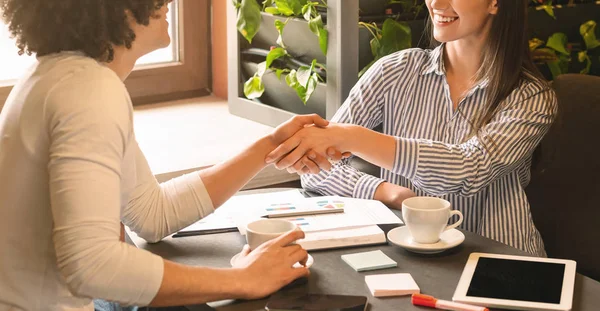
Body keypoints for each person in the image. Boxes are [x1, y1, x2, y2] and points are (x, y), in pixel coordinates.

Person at [0, 0, 340, 310]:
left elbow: (150, 213)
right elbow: (93, 267)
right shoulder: (89, 93)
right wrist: (243, 280)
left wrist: (268, 148)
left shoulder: (61, 76)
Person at [266, 0, 558, 257]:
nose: (437, 3)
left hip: (499, 262)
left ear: (495, 3)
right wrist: (385, 191)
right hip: (410, 259)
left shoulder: (531, 97)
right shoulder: (393, 72)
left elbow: (470, 169)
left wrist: (353, 137)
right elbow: (317, 171)